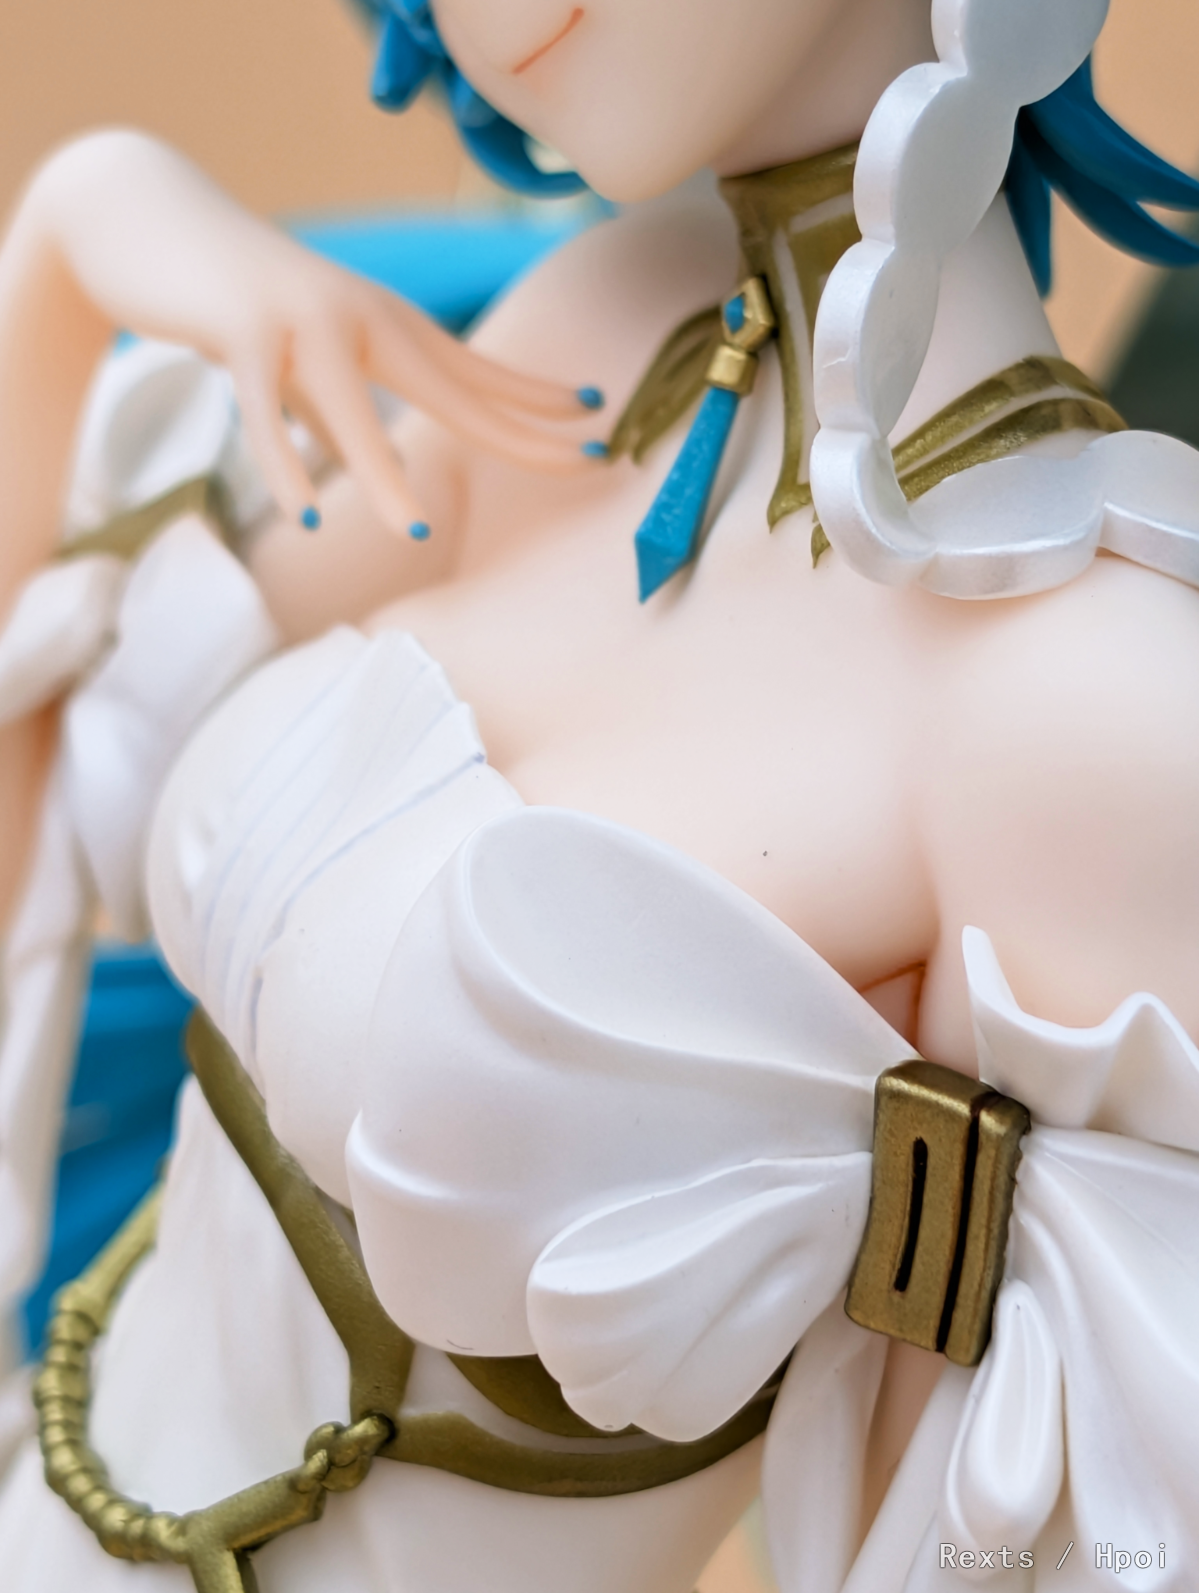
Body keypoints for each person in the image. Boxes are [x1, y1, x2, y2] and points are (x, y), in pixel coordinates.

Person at [0, 0, 1198, 1587]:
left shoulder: (1084, 703)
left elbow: (1027, 1521)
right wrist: (75, 239)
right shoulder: (592, 335)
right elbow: (49, 769)